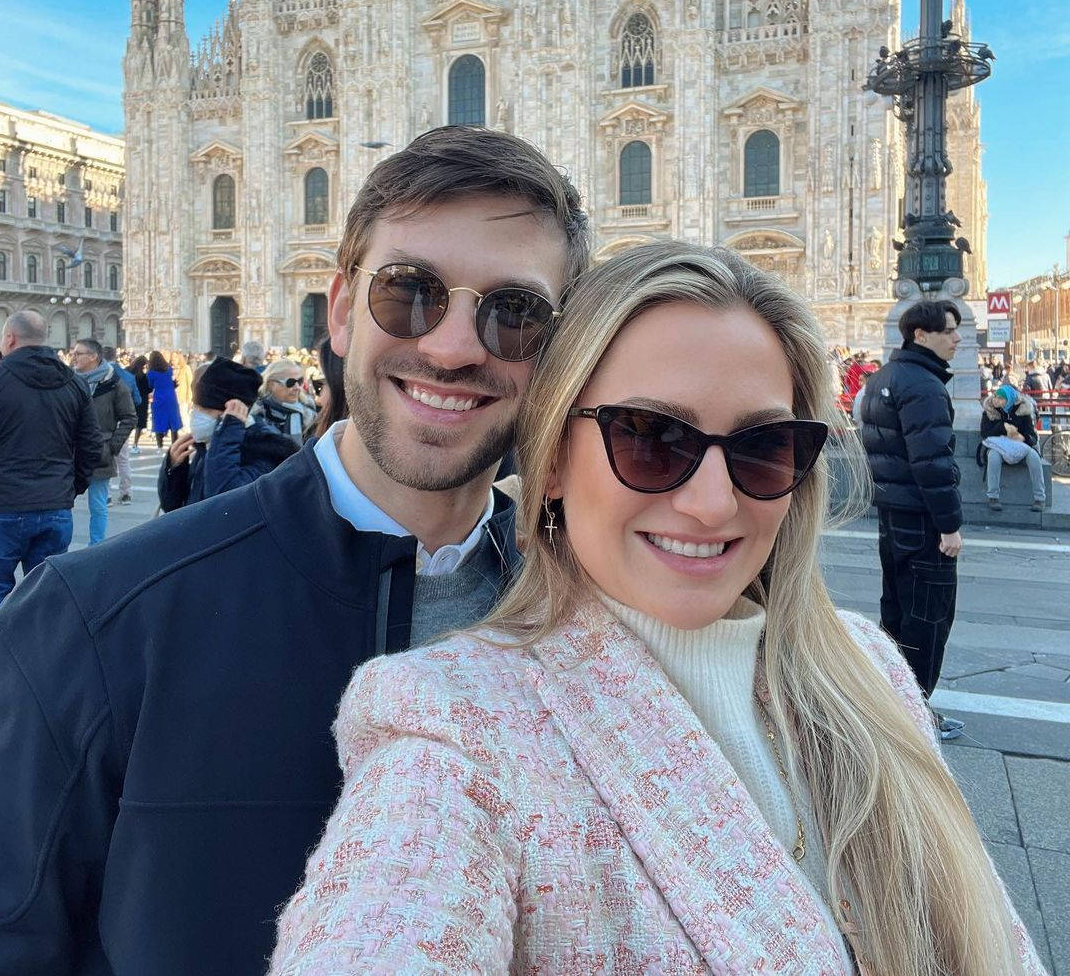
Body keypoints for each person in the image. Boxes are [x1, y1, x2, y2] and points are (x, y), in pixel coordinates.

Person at [270, 243, 1042, 976]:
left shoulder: (868, 671)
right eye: (649, 438)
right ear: (553, 461)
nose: (712, 505)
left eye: (764, 446)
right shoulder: (454, 728)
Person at [0, 126, 588, 975]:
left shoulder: (594, 637)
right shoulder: (92, 625)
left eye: (516, 312)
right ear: (341, 310)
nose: (454, 347)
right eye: (408, 292)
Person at [859, 299, 964, 740]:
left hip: (893, 514)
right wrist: (950, 525)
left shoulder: (883, 377)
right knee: (929, 618)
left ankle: (891, 705)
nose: (958, 338)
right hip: (922, 519)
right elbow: (932, 462)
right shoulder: (923, 385)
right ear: (921, 335)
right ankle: (915, 719)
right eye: (950, 331)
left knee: (897, 612)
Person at [0, 311, 103, 619]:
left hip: (2, 507)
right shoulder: (75, 383)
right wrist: (71, 488)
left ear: (10, 339)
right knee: (47, 598)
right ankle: (44, 663)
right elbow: (92, 445)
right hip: (55, 506)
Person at [158, 358, 298, 511]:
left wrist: (228, 431)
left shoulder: (264, 450)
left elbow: (226, 504)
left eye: (204, 410)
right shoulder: (208, 444)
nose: (196, 415)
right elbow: (173, 506)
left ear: (231, 411)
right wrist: (175, 468)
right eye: (195, 407)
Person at [69, 340, 138, 547]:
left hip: (100, 452)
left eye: (78, 354)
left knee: (98, 505)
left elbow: (129, 417)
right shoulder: (70, 382)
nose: (73, 357)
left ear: (93, 357)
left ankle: (95, 547)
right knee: (63, 506)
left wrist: (111, 446)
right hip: (71, 452)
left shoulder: (114, 384)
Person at [979, 384, 1045, 513]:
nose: (995, 399)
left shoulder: (1023, 411)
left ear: (1008, 400)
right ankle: (993, 497)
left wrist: (1021, 437)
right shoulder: (989, 411)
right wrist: (1003, 427)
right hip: (999, 446)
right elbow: (985, 433)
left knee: (1034, 456)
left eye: (1000, 398)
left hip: (1020, 446)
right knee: (993, 456)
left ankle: (1040, 498)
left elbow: (1031, 436)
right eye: (995, 396)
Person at [250, 358, 317, 444]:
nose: (297, 388)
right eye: (290, 382)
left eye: (299, 381)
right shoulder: (257, 414)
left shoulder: (309, 411)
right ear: (271, 385)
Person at [109, 355, 142, 503]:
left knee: (105, 458)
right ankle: (126, 493)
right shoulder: (128, 376)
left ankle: (107, 494)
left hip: (104, 422)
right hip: (123, 421)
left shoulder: (100, 376)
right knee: (123, 460)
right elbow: (138, 399)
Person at [147, 349, 182, 449]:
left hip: (159, 397)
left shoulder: (151, 373)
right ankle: (174, 443)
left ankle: (160, 445)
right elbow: (173, 381)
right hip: (171, 396)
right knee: (173, 421)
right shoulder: (169, 369)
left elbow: (150, 386)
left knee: (159, 420)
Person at [128, 354, 150, 451]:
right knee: (139, 424)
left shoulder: (128, 371)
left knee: (129, 421)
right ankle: (135, 443)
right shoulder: (143, 376)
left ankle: (126, 442)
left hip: (130, 399)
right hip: (141, 400)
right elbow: (147, 389)